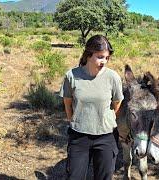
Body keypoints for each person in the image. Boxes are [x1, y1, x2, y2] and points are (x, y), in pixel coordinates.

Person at [59, 35, 124, 180]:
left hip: (106, 136)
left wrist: (106, 120)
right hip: (79, 136)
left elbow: (117, 104)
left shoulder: (113, 77)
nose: (104, 61)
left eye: (107, 58)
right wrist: (74, 121)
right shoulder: (72, 76)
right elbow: (67, 103)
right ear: (89, 54)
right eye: (100, 57)